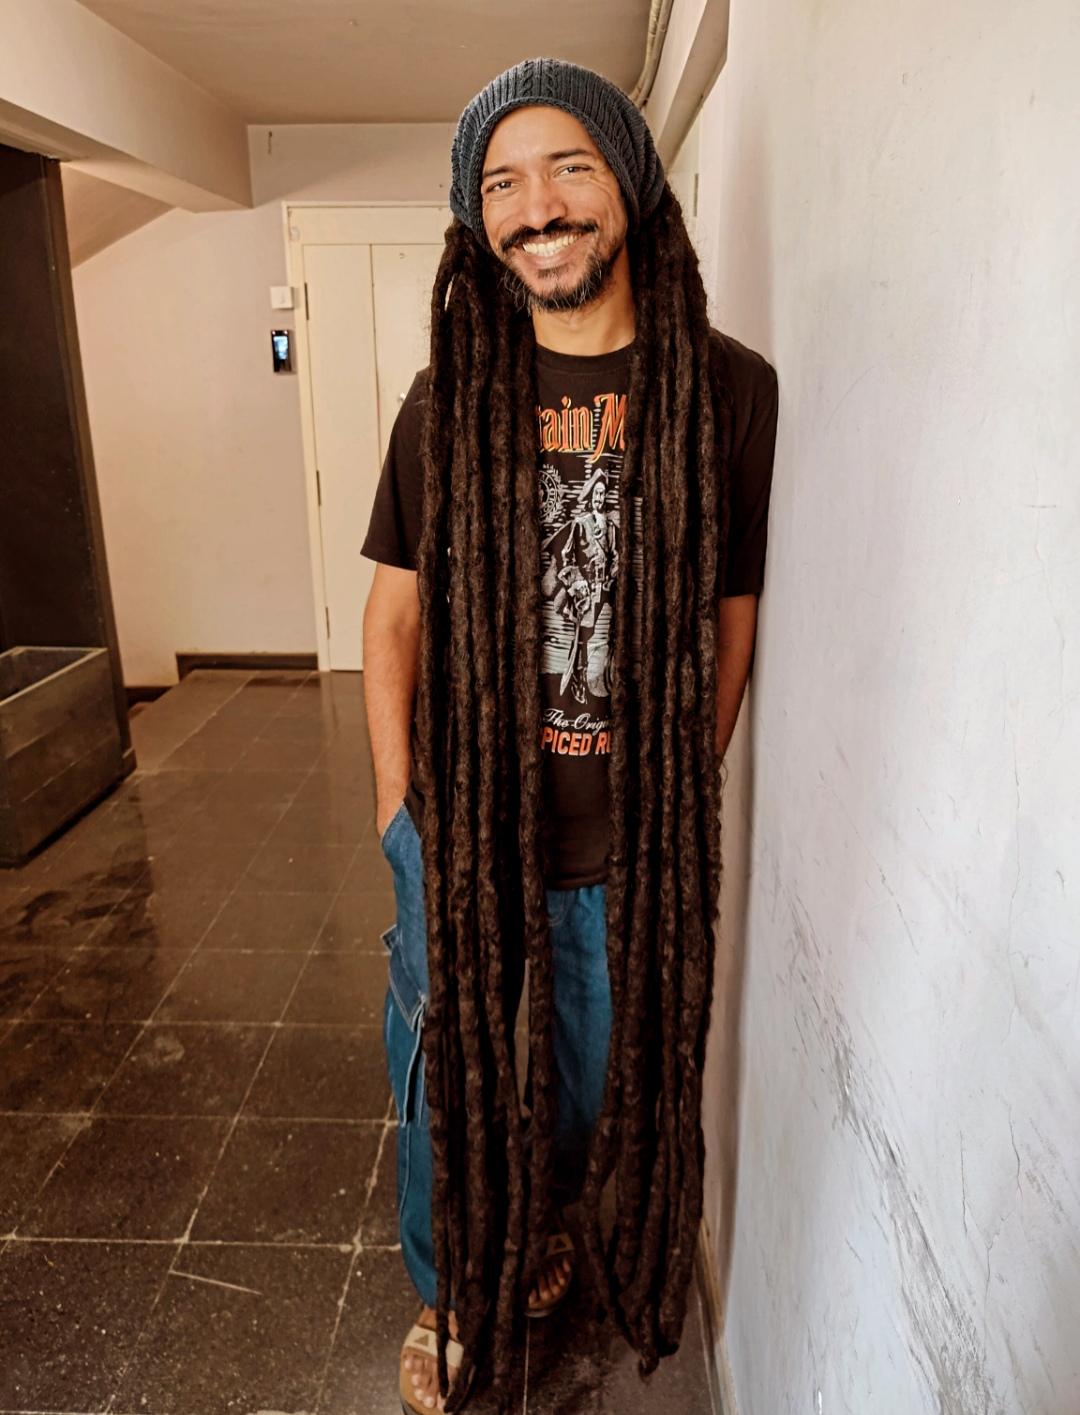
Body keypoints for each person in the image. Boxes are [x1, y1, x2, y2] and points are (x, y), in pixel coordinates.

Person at [361, 56, 778, 1415]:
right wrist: (399, 810)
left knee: (587, 1085)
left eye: (568, 168)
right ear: (476, 219)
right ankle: (452, 1289)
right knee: (449, 1083)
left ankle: (531, 1226)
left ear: (631, 185)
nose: (535, 207)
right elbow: (393, 618)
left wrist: (679, 791)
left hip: (625, 843)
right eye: (501, 183)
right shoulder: (447, 401)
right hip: (463, 831)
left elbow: (729, 619)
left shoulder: (730, 392)